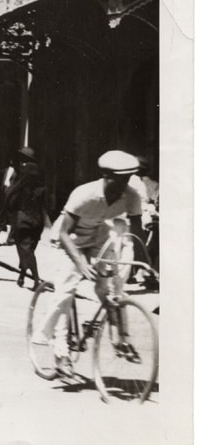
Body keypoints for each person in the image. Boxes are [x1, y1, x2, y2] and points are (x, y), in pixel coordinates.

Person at [36, 150, 144, 380]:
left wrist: (142, 262)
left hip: (98, 236)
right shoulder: (84, 194)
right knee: (66, 291)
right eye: (120, 177)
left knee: (112, 290)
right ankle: (61, 353)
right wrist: (80, 263)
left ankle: (119, 337)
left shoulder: (131, 196)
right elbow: (65, 232)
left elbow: (137, 233)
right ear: (106, 175)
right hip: (70, 239)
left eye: (129, 178)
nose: (125, 183)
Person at [4, 158, 47, 287]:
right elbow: (46, 205)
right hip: (38, 222)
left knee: (25, 250)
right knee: (29, 250)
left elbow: (10, 201)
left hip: (22, 220)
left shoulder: (20, 186)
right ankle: (22, 276)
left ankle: (36, 279)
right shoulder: (42, 187)